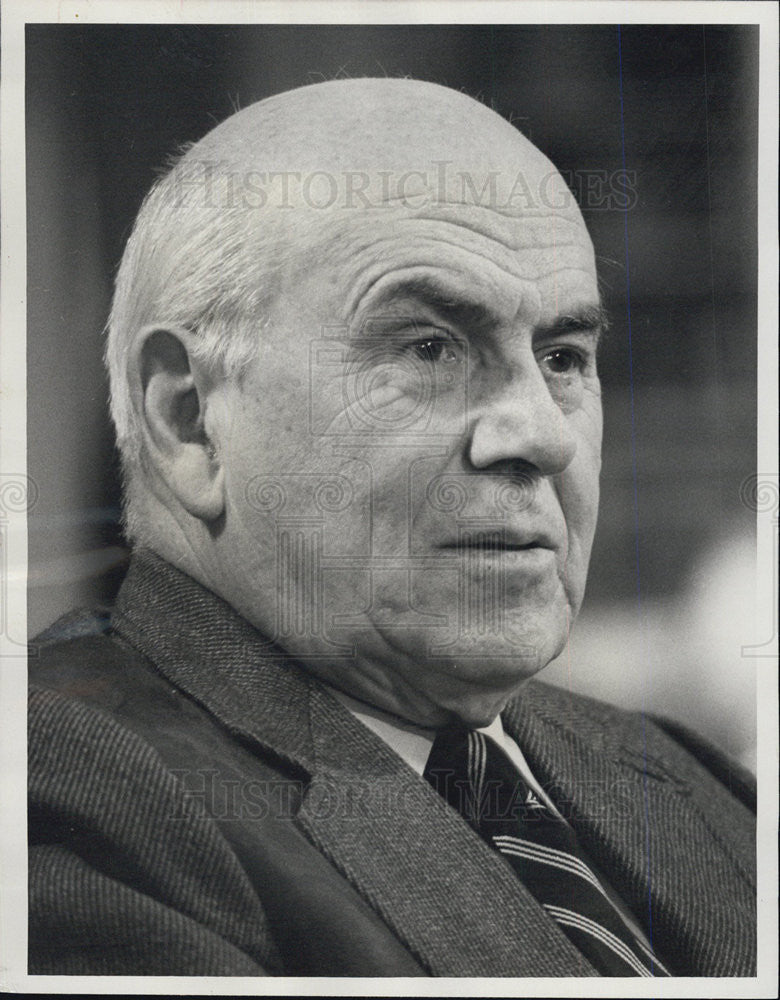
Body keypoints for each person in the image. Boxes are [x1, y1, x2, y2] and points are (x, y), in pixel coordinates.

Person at [28, 78, 756, 977]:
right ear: (189, 420)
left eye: (564, 358)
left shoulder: (682, 779)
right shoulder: (68, 800)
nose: (542, 434)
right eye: (430, 348)